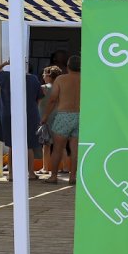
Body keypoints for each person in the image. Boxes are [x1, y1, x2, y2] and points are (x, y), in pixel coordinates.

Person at [0, 60, 43, 180]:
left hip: (9, 114)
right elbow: (39, 98)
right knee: (29, 145)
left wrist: (5, 63)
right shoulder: (33, 79)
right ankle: (31, 173)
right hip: (29, 114)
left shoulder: (6, 77)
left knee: (12, 145)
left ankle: (11, 174)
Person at [40, 55, 81, 185]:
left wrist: (45, 116)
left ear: (68, 66)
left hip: (64, 115)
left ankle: (53, 176)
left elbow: (53, 99)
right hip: (80, 115)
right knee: (75, 149)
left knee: (57, 148)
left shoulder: (61, 79)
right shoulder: (86, 79)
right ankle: (73, 177)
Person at [38, 66, 63, 176]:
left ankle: (45, 167)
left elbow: (38, 101)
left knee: (46, 144)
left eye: (44, 74)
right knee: (60, 144)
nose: (43, 76)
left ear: (49, 76)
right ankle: (65, 167)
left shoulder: (43, 88)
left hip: (45, 117)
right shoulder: (60, 88)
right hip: (58, 116)